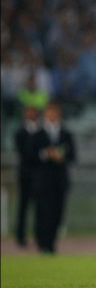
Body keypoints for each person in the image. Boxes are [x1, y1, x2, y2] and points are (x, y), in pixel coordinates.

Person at [32, 102, 76, 253]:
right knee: (43, 212)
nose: (52, 115)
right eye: (49, 112)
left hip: (59, 180)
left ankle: (51, 243)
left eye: (54, 112)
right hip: (43, 181)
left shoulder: (66, 134)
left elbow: (73, 155)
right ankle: (42, 243)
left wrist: (61, 157)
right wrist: (46, 154)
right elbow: (29, 156)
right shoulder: (37, 134)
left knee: (58, 213)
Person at [14, 106, 41, 247]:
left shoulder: (41, 131)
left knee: (40, 208)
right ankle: (20, 237)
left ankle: (39, 236)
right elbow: (24, 152)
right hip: (25, 175)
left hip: (39, 176)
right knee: (23, 207)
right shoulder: (20, 132)